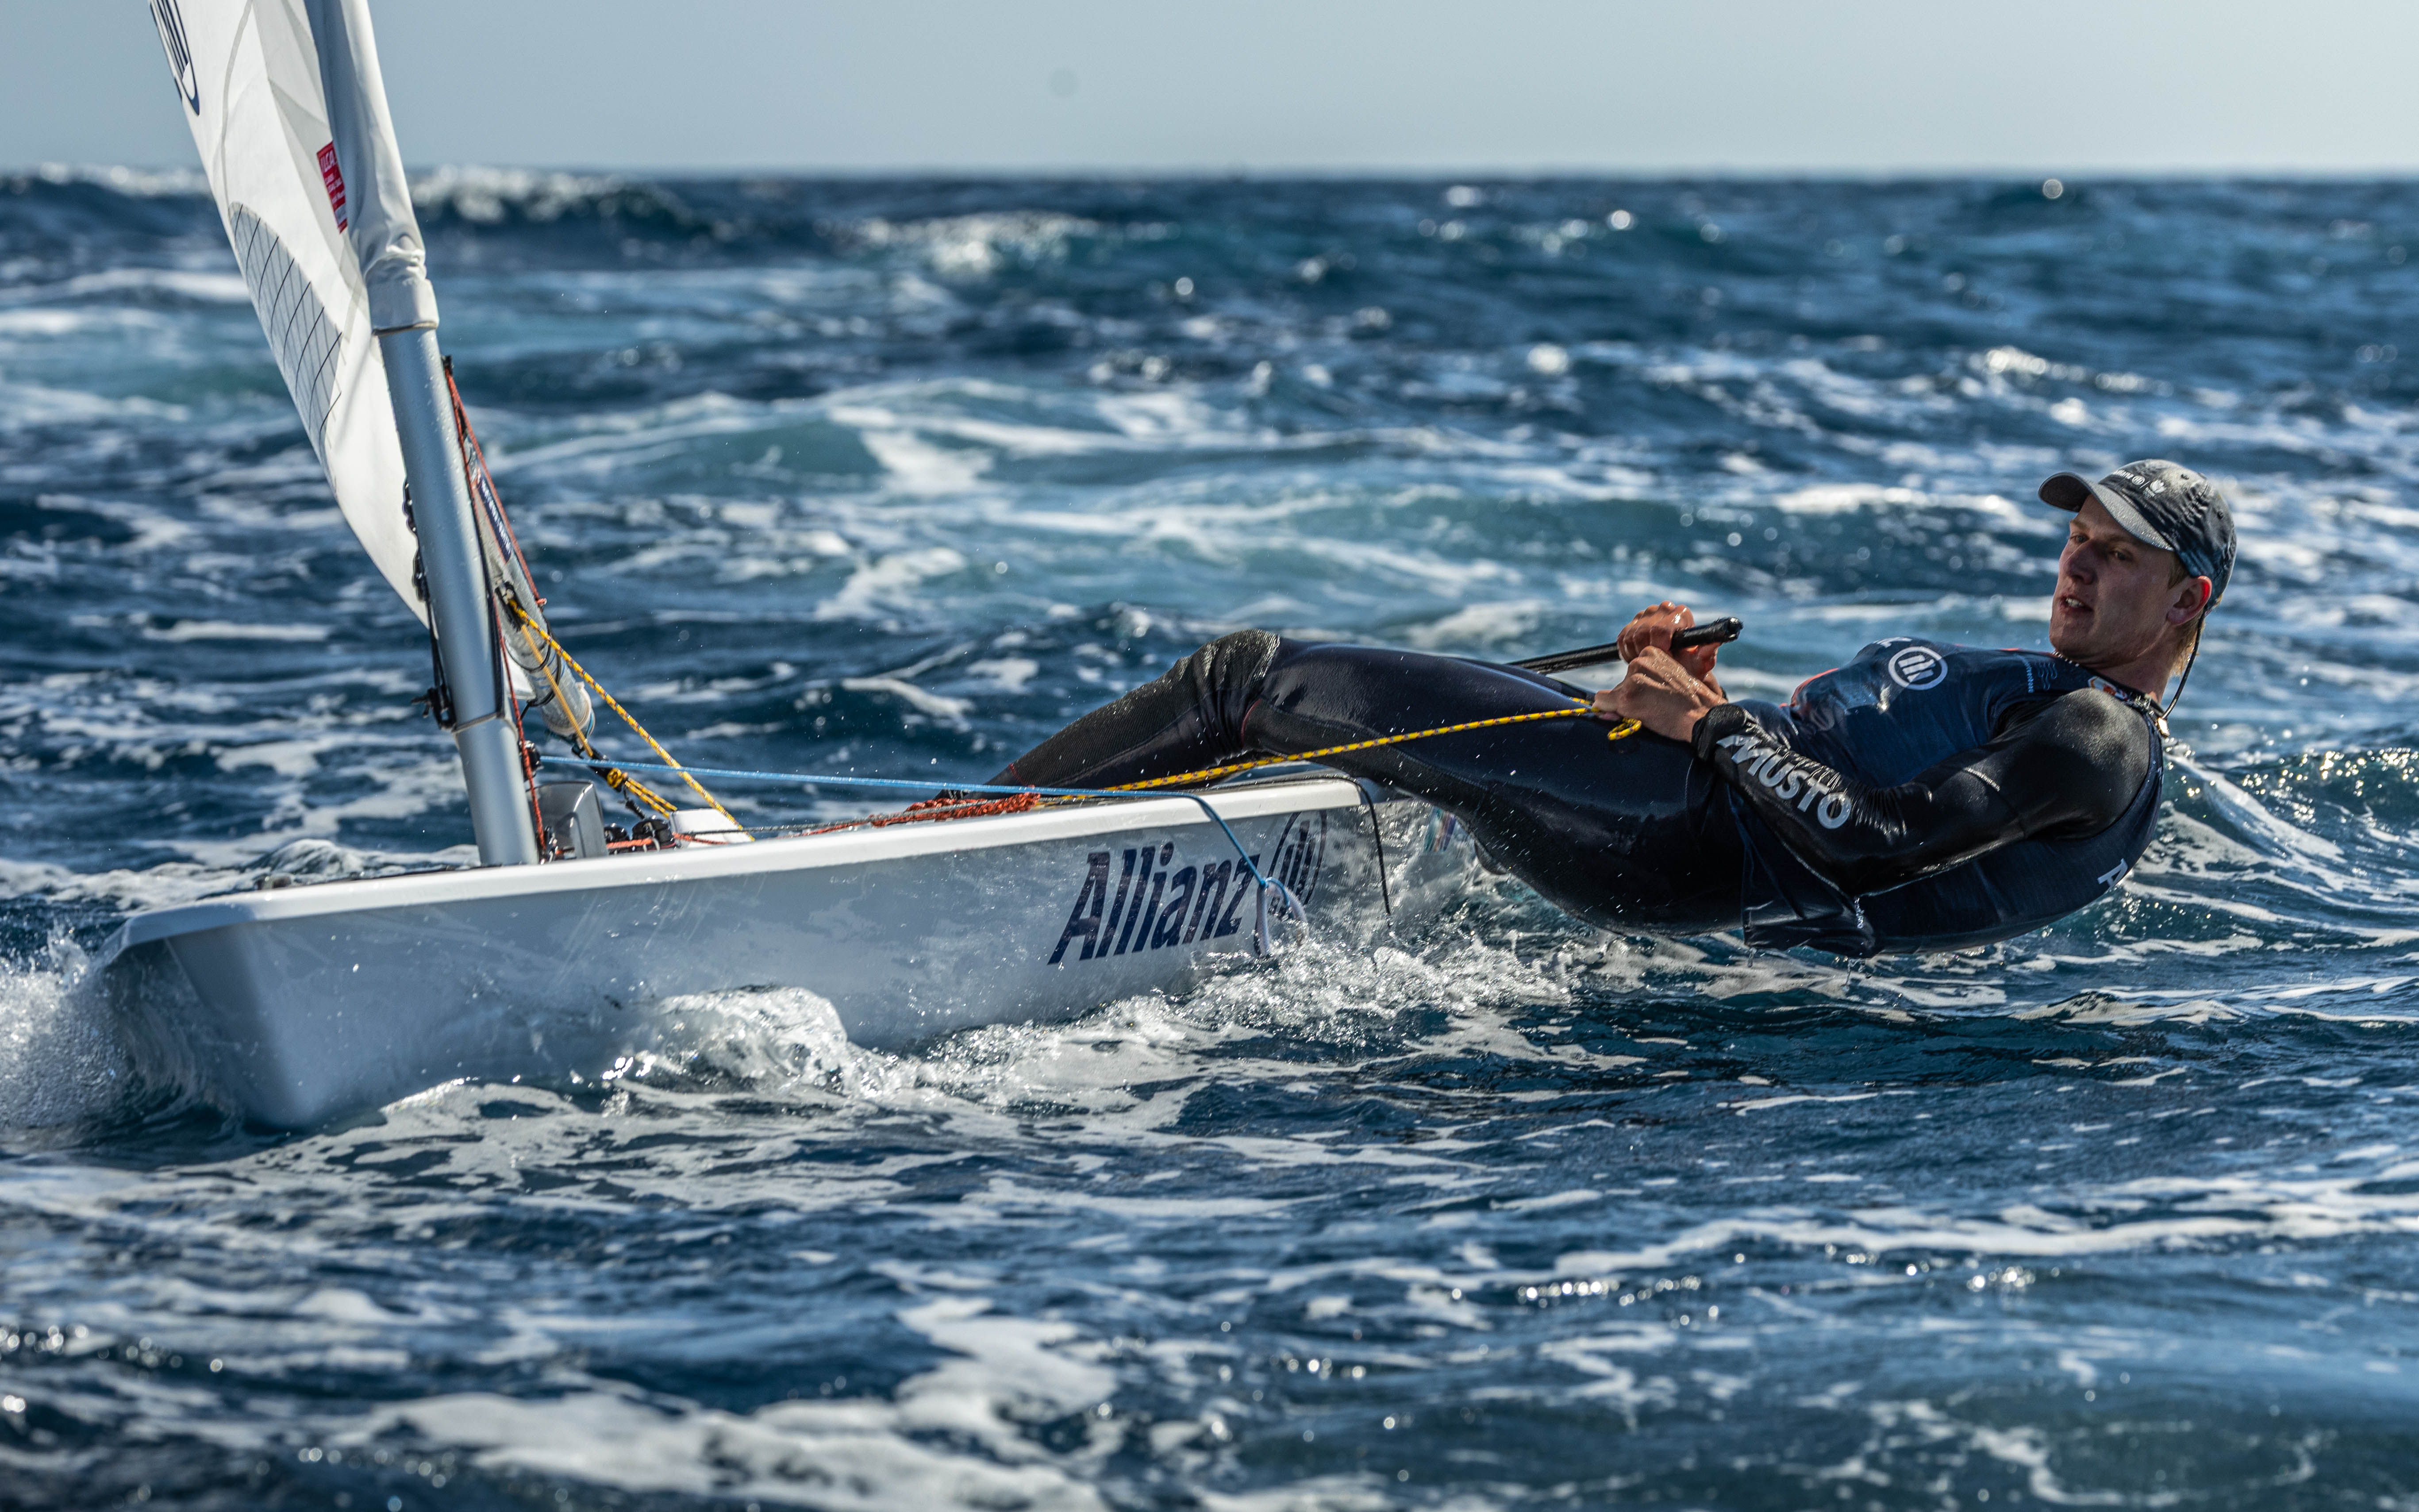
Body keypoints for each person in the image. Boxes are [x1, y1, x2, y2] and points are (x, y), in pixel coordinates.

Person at [993, 460, 2236, 956]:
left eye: (2115, 556)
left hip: (1683, 833)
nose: (2076, 563)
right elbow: (1841, 794)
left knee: (1242, 677)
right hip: (1693, 820)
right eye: (2075, 537)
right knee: (1375, 732)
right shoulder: (2052, 700)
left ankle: (970, 834)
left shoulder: (2099, 736)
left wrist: (1707, 729)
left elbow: (1877, 841)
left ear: (2185, 601)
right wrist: (1703, 699)